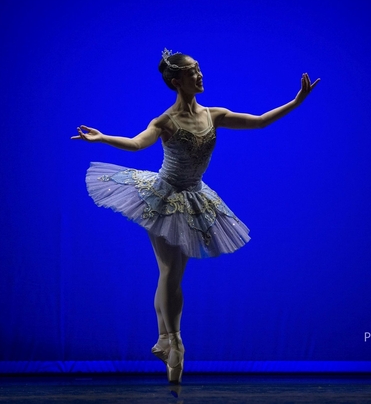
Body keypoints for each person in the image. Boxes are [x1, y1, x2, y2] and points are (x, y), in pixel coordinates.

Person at [71, 48, 319, 383]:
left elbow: (260, 121)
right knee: (170, 271)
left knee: (171, 274)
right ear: (177, 81)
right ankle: (175, 342)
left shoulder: (214, 115)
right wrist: (102, 138)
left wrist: (296, 102)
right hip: (163, 196)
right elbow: (137, 143)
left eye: (199, 69)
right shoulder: (165, 122)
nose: (200, 75)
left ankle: (164, 340)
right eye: (193, 72)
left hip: (195, 197)